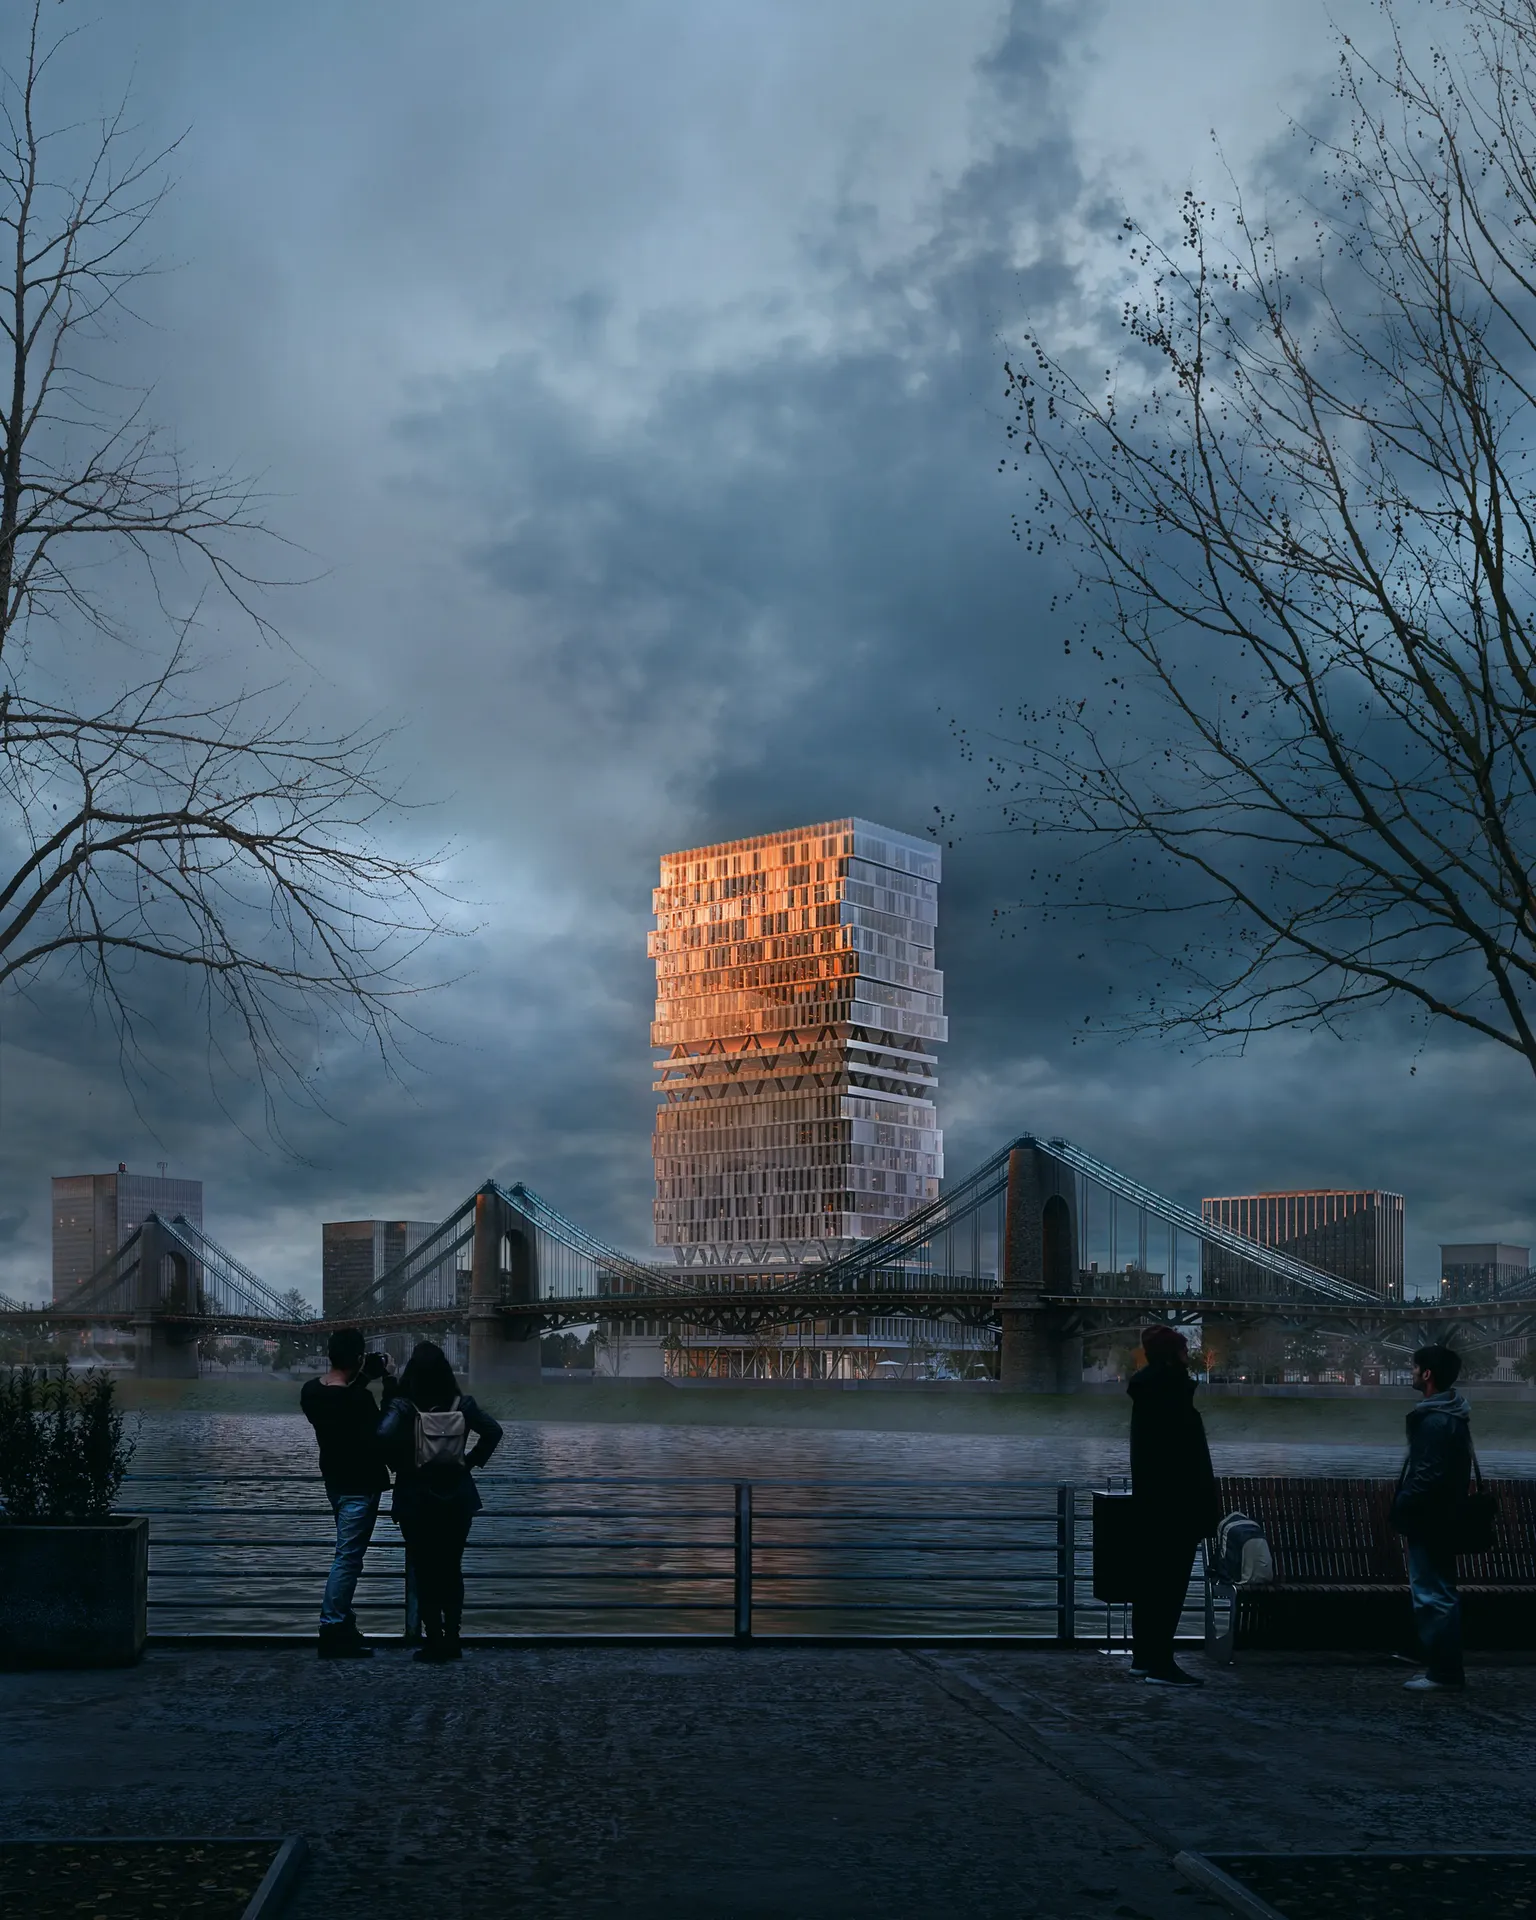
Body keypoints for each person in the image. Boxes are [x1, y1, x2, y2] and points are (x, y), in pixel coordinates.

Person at [379, 1341, 502, 1663]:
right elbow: (493, 1431)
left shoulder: (404, 1406)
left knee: (424, 1568)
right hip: (457, 1497)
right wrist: (469, 1462)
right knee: (451, 1568)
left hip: (415, 1498)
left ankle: (432, 1638)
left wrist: (401, 1465)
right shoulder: (463, 1404)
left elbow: (382, 1437)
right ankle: (453, 1637)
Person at [1127, 1324, 1219, 1687]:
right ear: (1171, 1357)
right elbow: (1187, 1461)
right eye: (1183, 1351)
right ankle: (1161, 1664)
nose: (1188, 1358)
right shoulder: (1173, 1396)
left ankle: (1144, 1658)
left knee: (1149, 1585)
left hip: (1151, 1506)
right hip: (1176, 1508)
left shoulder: (1148, 1394)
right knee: (1170, 1585)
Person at [300, 1328, 395, 1659]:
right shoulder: (360, 1400)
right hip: (362, 1486)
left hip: (335, 1482)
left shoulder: (311, 1392)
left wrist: (362, 1376)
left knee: (347, 1554)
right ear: (357, 1358)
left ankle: (343, 1625)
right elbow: (382, 1431)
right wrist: (389, 1381)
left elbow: (341, 1402)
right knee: (349, 1557)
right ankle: (333, 1628)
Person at [1390, 1343, 1473, 1693]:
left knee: (1432, 1593)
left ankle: (1443, 1672)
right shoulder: (1452, 1415)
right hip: (1445, 1516)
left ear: (1427, 1374)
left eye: (1413, 1368)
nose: (1410, 1373)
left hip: (1430, 1519)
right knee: (1441, 1590)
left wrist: (1402, 1506)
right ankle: (1441, 1665)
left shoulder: (1435, 1421)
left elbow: (1426, 1475)